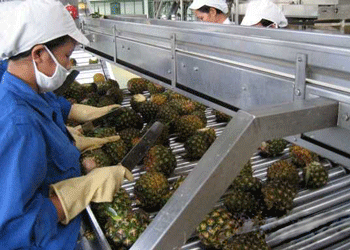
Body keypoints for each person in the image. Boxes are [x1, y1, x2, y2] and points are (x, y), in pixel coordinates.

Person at [0, 1, 133, 249]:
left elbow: (50, 108)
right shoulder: (19, 125)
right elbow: (11, 232)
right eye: (66, 56)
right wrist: (81, 192)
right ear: (38, 54)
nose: (69, 65)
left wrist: (71, 124)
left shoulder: (31, 89)